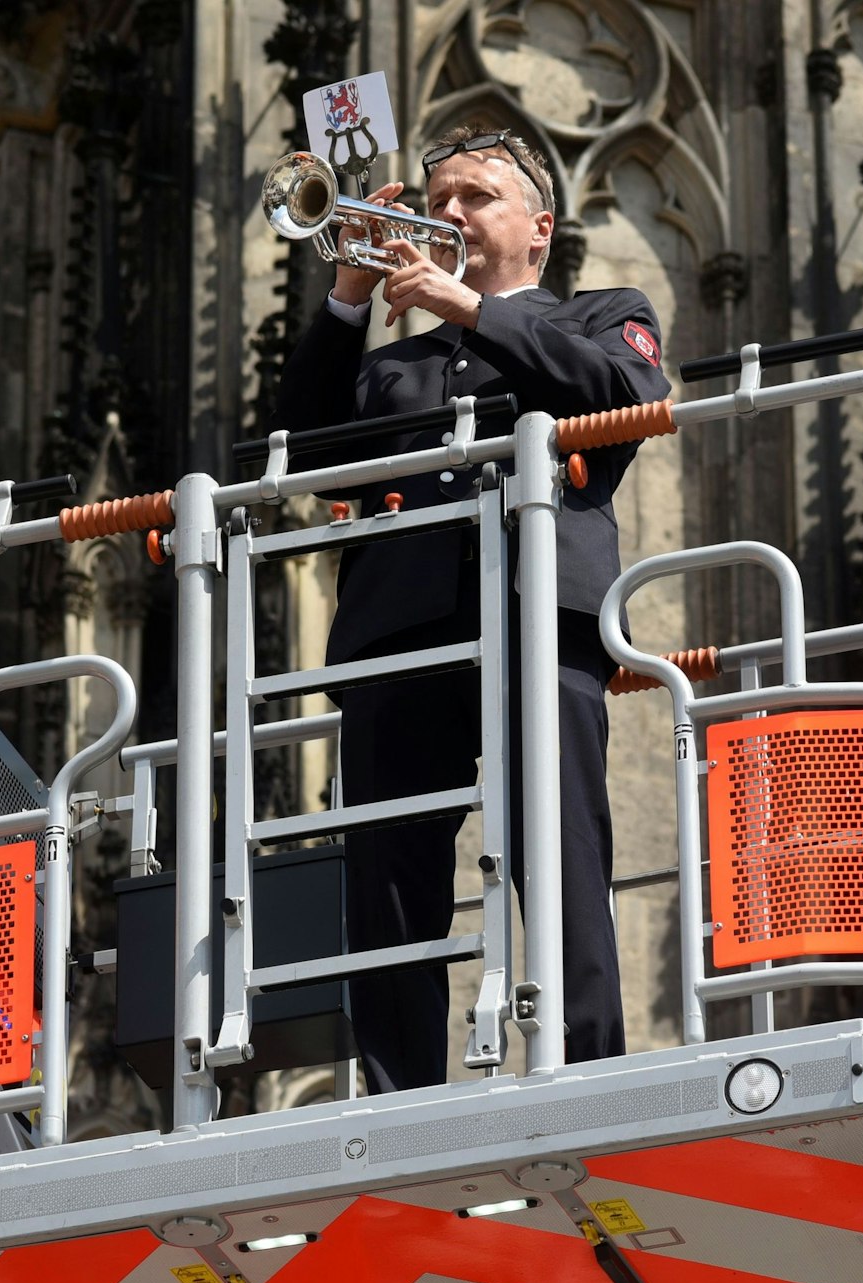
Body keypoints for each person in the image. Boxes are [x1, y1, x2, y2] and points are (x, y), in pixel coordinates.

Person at [273, 124, 670, 1094]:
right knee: (386, 878)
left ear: (540, 228)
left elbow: (622, 396)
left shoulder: (601, 316)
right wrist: (347, 301)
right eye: (436, 199)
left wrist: (469, 309)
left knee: (562, 850)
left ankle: (585, 1073)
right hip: (397, 631)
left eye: (475, 197)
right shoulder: (392, 368)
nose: (447, 213)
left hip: (539, 617)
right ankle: (398, 1098)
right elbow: (305, 454)